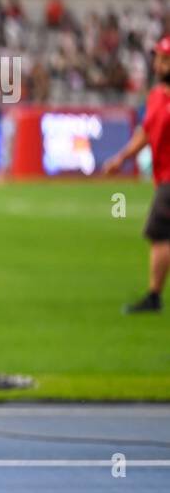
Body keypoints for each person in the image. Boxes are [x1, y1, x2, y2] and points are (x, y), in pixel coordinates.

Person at [101, 35, 170, 314]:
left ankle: (154, 296)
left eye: (164, 60)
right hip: (163, 175)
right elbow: (146, 133)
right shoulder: (157, 96)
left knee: (160, 234)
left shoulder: (160, 97)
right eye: (158, 58)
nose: (158, 65)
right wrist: (122, 159)